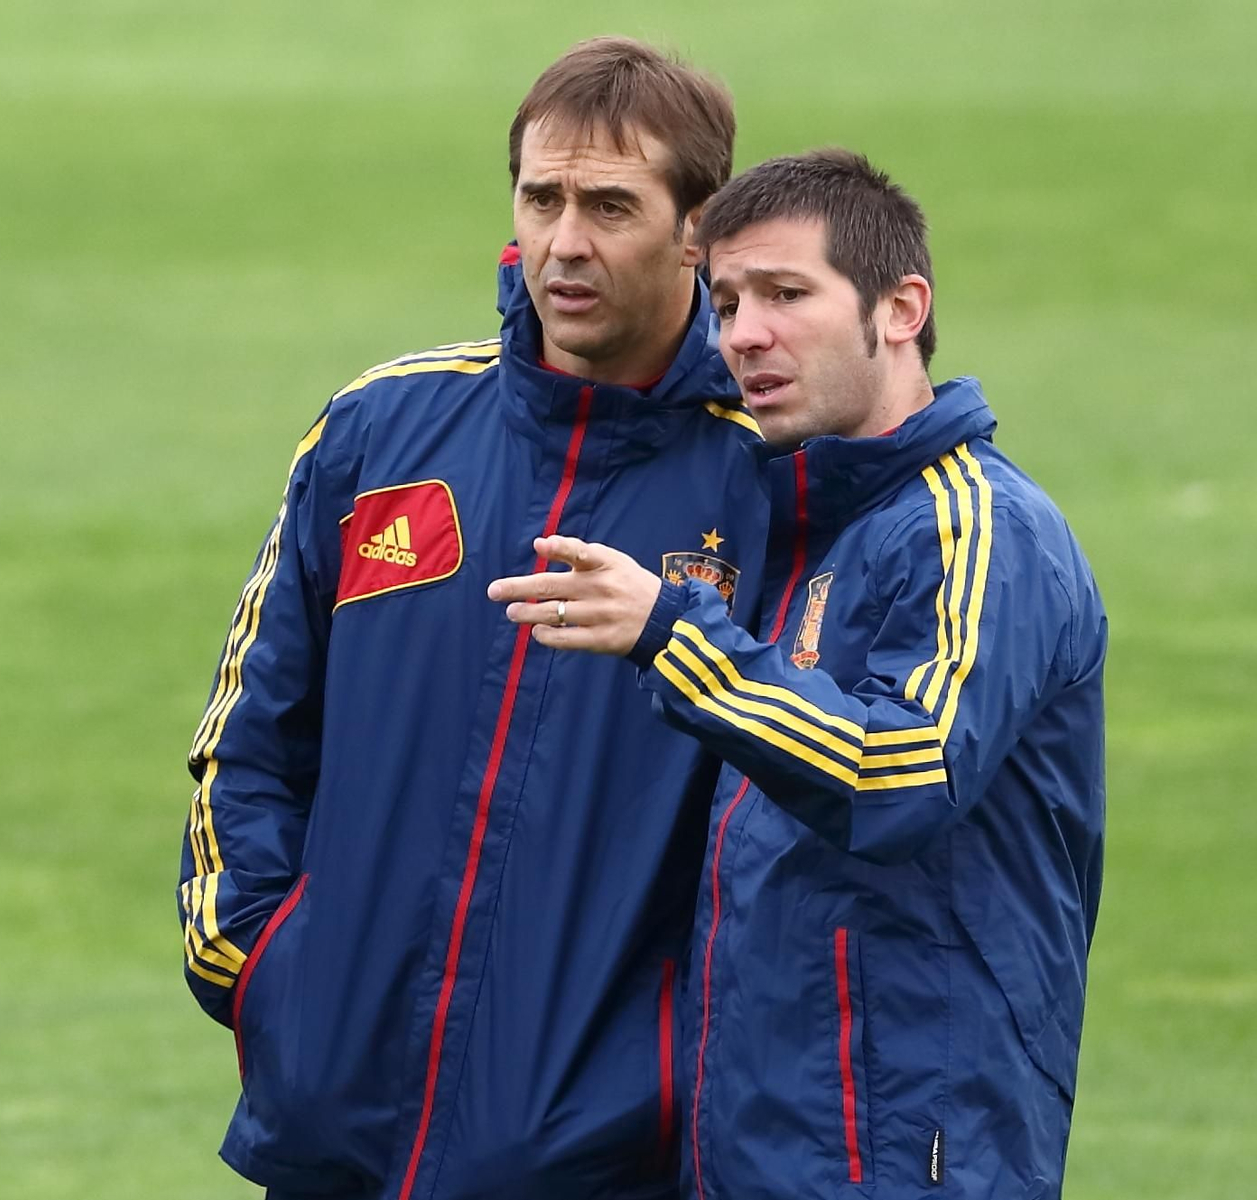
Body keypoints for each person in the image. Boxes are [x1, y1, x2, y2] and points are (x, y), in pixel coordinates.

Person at [177, 37, 769, 1200]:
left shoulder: (771, 484)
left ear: (697, 228)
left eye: (610, 206)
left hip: (601, 1160)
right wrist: (265, 968)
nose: (563, 243)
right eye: (541, 197)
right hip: (335, 1130)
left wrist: (661, 1073)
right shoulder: (378, 430)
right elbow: (246, 736)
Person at [489, 149, 1107, 1199]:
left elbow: (901, 773)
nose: (744, 335)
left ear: (901, 308)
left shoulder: (977, 528)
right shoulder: (802, 522)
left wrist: (671, 634)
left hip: (907, 1159)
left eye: (786, 294)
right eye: (725, 302)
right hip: (759, 1151)